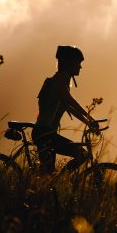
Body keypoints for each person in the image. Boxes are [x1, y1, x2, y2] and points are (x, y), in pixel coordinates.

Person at [33, 45, 100, 173]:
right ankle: (62, 180)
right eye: (78, 63)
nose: (80, 67)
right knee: (82, 155)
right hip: (44, 133)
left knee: (47, 174)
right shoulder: (59, 79)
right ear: (69, 63)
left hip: (46, 133)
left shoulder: (61, 80)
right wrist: (90, 118)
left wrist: (89, 123)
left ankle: (55, 182)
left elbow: (69, 108)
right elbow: (70, 101)